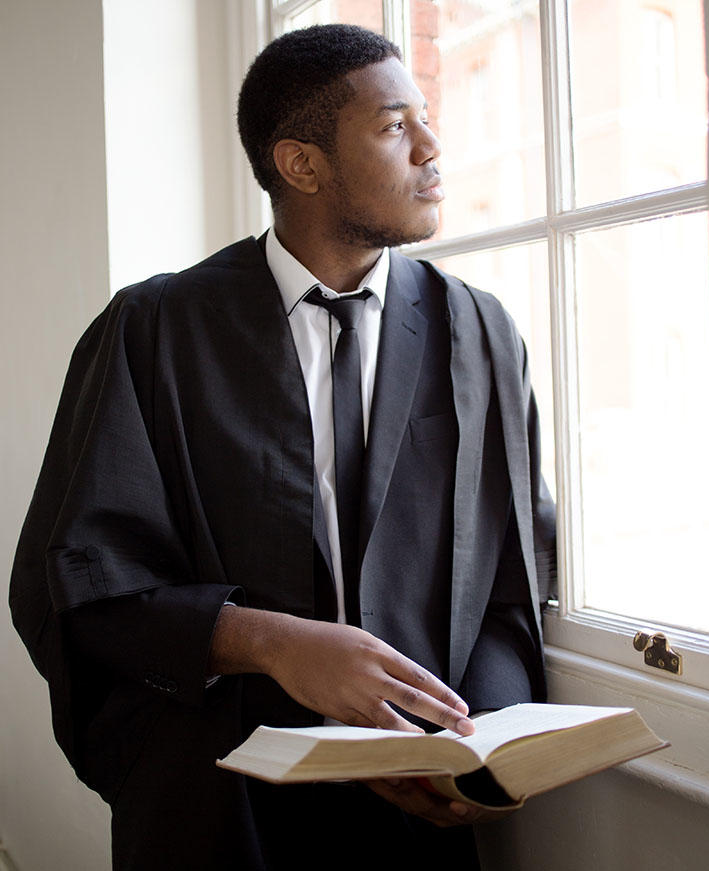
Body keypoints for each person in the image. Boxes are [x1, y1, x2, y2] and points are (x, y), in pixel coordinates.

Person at [9, 23, 555, 871]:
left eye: (425, 116)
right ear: (301, 164)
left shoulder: (480, 333)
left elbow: (512, 582)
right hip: (218, 807)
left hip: (415, 821)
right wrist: (272, 642)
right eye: (392, 124)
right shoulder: (150, 333)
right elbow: (78, 584)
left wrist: (470, 750)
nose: (432, 146)